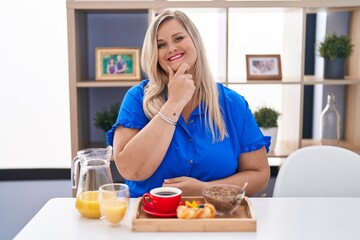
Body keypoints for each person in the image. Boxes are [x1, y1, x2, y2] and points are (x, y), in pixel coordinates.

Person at [107, 9, 271, 198]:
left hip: (215, 217)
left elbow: (260, 175)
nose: (171, 48)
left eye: (178, 38)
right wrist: (174, 104)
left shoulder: (232, 103)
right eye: (161, 45)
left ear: (194, 40)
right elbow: (130, 170)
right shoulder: (137, 99)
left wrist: (206, 190)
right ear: (154, 54)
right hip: (150, 218)